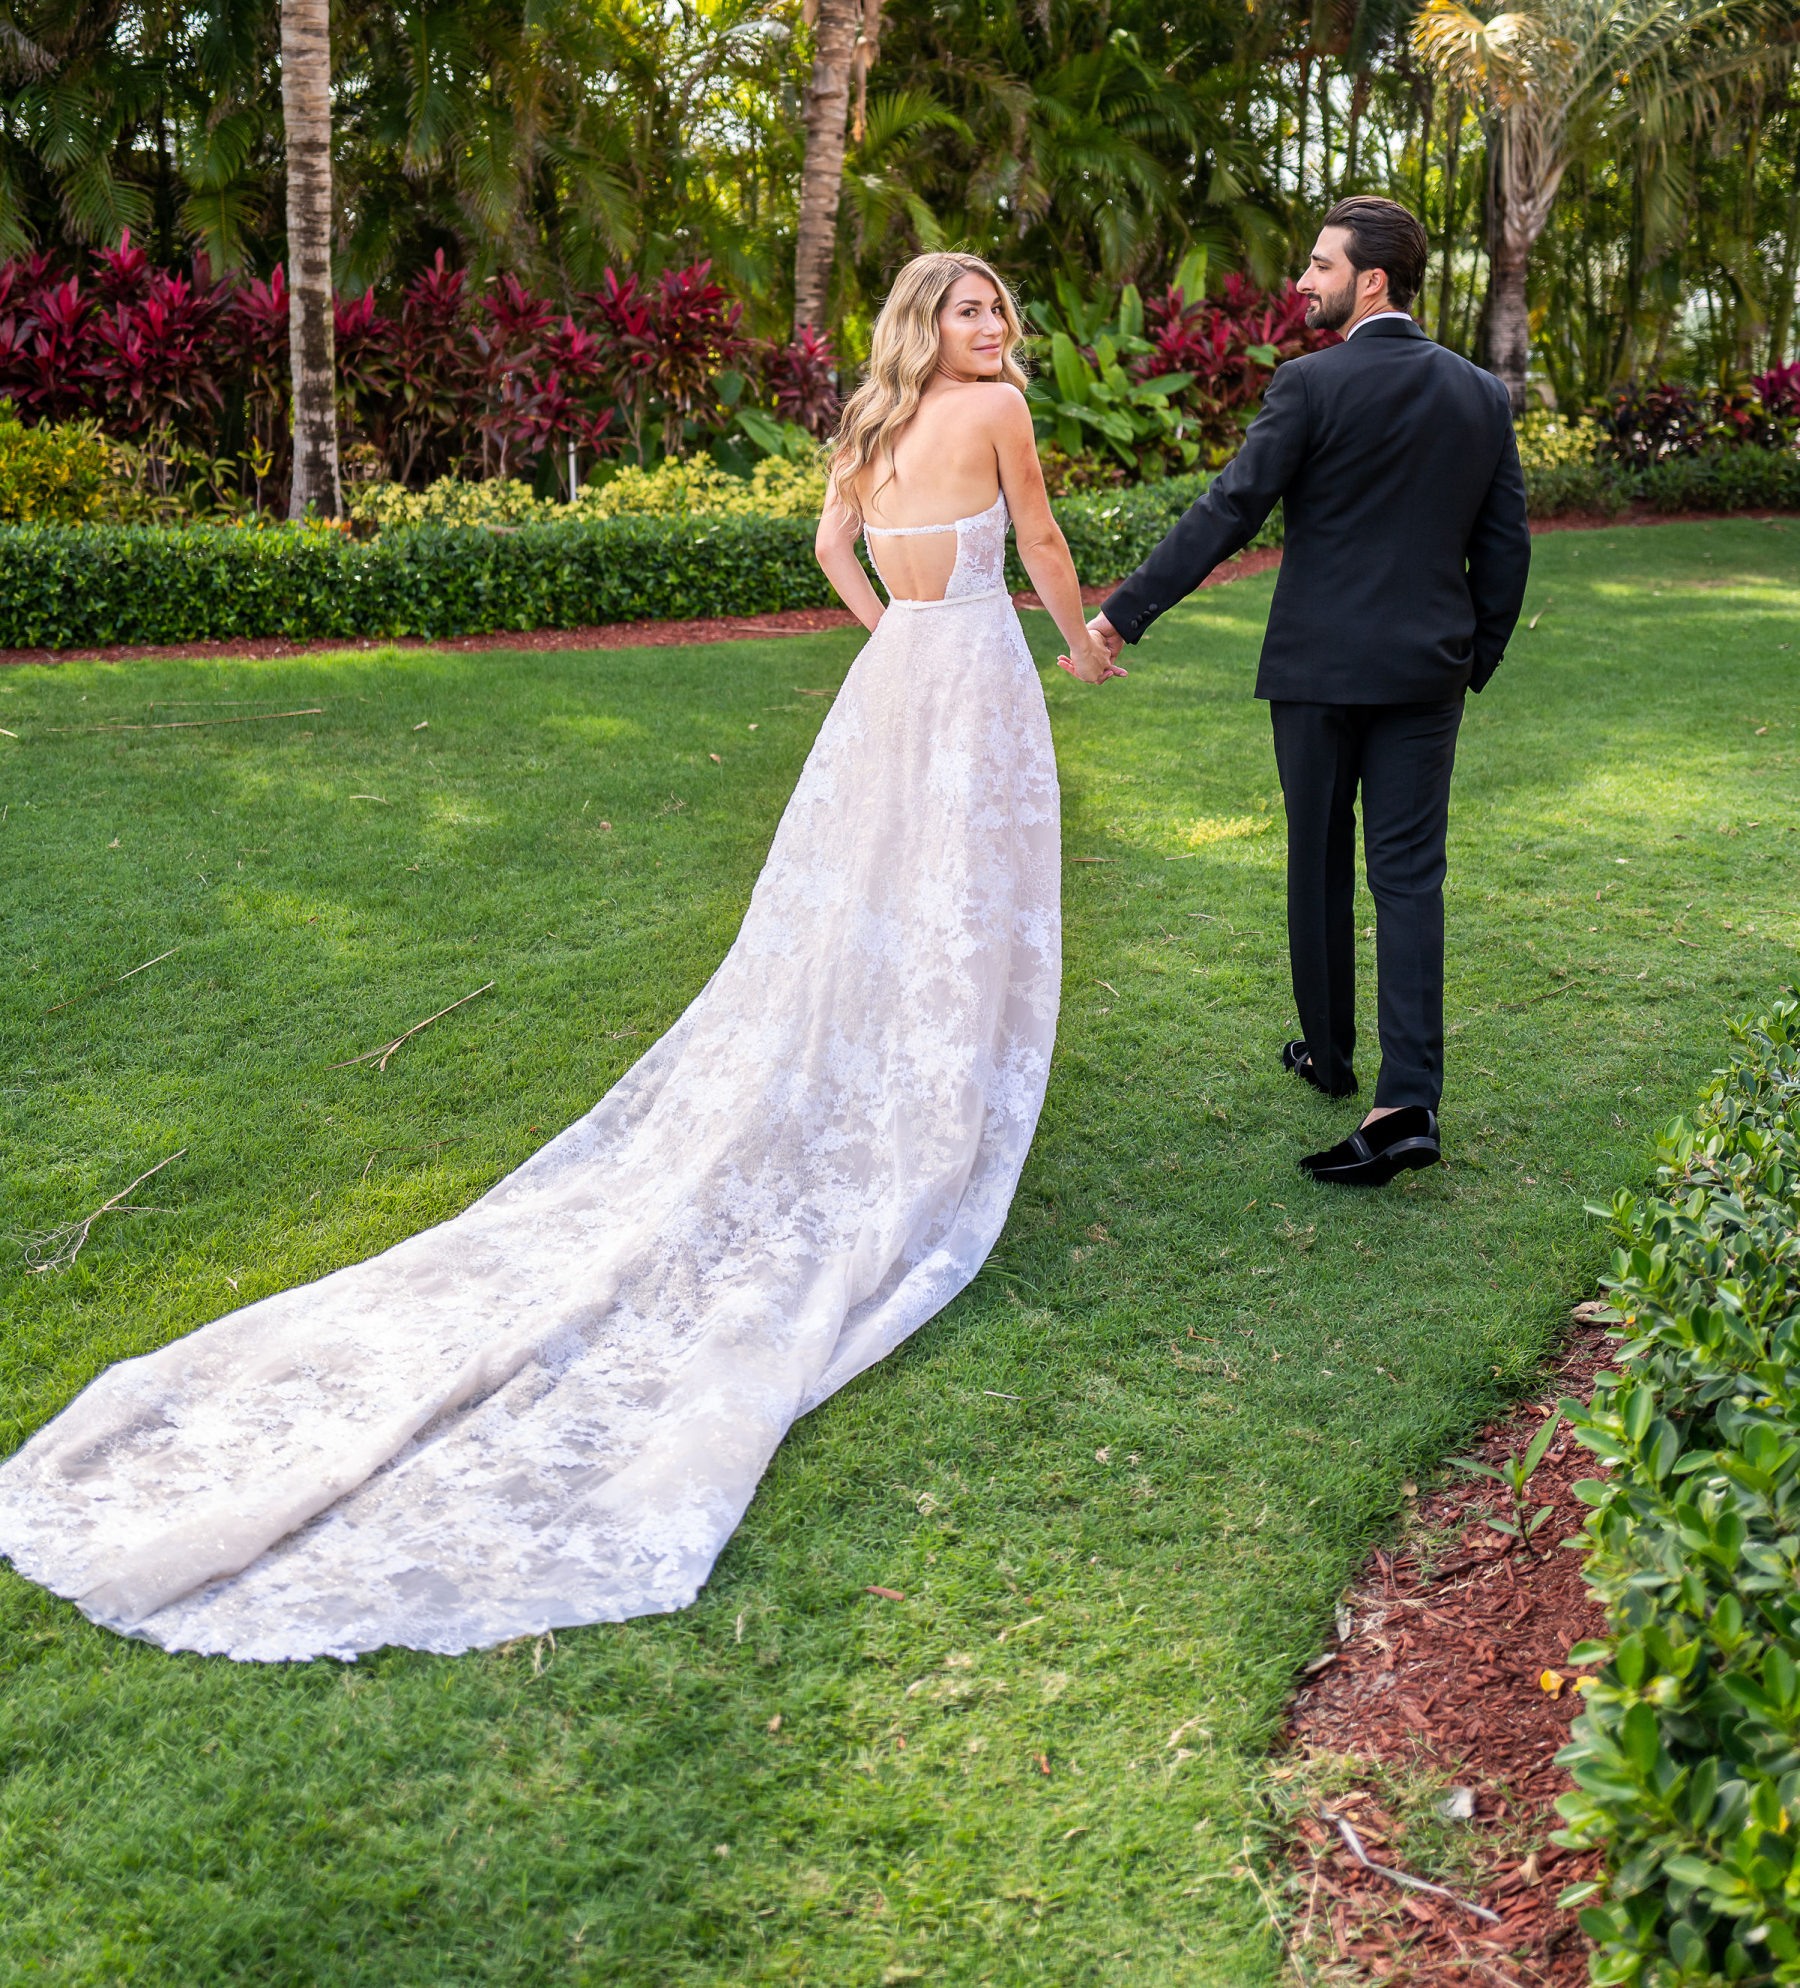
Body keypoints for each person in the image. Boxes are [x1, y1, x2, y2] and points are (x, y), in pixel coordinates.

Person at [0, 253, 1113, 1664]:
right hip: (970, 670)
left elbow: (833, 550)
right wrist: (1075, 645)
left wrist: (894, 636)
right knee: (950, 897)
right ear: (927, 325)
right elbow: (1049, 546)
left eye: (1000, 308)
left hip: (892, 679)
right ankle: (926, 1108)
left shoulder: (873, 424)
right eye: (971, 310)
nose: (996, 327)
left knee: (869, 906)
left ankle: (897, 1074)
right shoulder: (997, 410)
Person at [1089, 195, 1531, 1189]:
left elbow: (1230, 509)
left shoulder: (1308, 386)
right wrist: (1472, 661)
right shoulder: (1479, 395)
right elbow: (1504, 554)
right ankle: (1405, 1098)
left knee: (1321, 865)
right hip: (1427, 676)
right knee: (1410, 881)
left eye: (1320, 266)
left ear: (1369, 278)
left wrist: (1123, 614)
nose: (1304, 283)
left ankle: (1332, 1060)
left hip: (1319, 672)